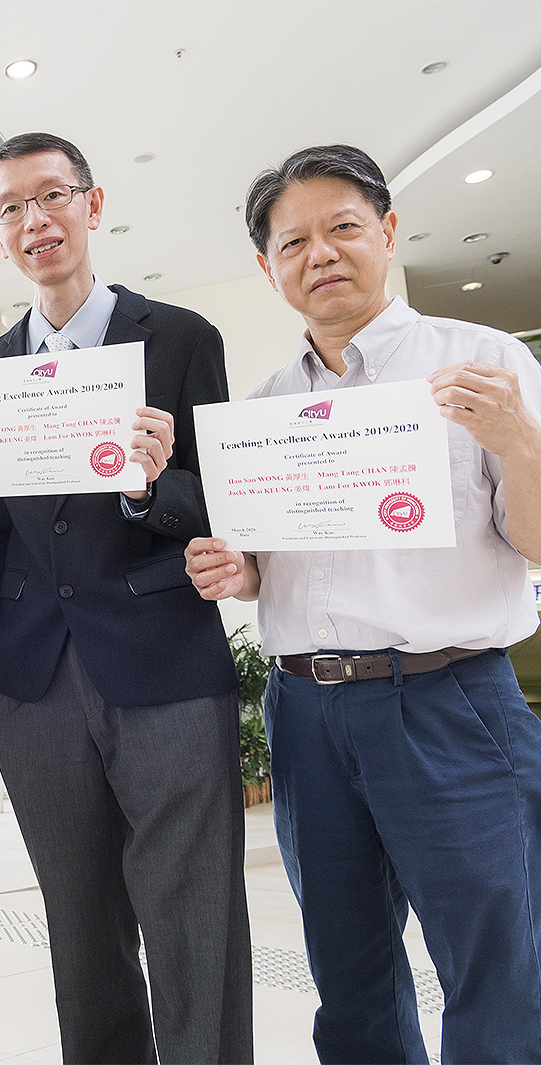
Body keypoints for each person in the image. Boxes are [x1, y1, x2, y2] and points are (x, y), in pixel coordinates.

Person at [186, 143, 541, 1065]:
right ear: (270, 271)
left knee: (496, 970)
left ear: (386, 231)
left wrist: (520, 442)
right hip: (307, 708)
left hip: (449, 698)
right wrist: (240, 572)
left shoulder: (483, 363)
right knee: (349, 978)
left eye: (342, 227)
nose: (321, 253)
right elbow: (282, 570)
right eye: (293, 242)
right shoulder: (265, 409)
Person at [0, 132, 253, 1063]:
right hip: (34, 679)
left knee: (193, 914)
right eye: (12, 208)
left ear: (93, 203)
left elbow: (222, 501)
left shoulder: (180, 338)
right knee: (79, 922)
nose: (34, 220)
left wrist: (147, 485)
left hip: (162, 658)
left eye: (52, 196)